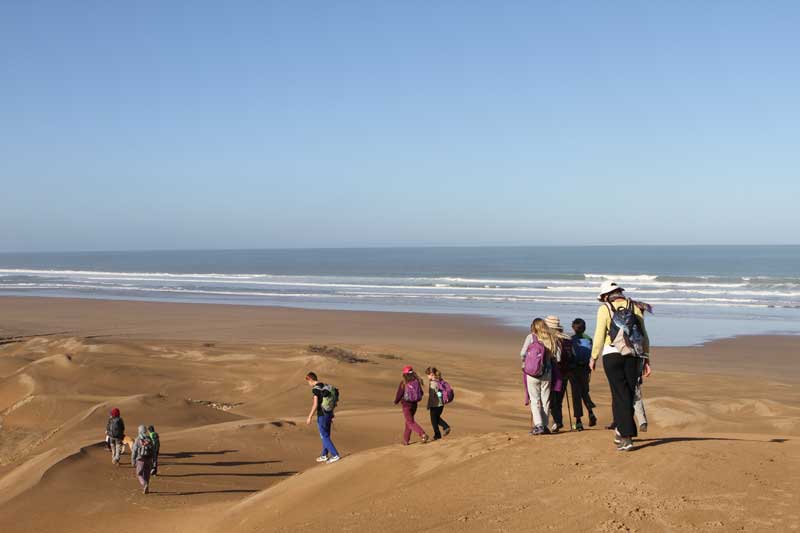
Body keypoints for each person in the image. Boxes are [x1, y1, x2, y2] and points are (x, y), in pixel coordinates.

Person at [590, 281, 652, 451]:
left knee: (619, 394)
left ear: (606, 295)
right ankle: (620, 431)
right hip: (634, 355)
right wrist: (646, 358)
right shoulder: (635, 307)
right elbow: (644, 335)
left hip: (611, 354)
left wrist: (593, 357)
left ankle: (626, 436)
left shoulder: (604, 309)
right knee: (629, 394)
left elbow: (599, 335)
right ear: (620, 292)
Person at [520, 318, 560, 435]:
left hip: (532, 372)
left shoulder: (531, 337)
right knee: (545, 400)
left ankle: (538, 425)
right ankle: (545, 425)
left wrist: (526, 362)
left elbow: (522, 353)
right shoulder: (552, 337)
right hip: (547, 372)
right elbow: (558, 357)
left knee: (534, 399)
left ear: (534, 326)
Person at [305, 372, 341, 464]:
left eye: (308, 381)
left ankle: (335, 454)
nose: (308, 383)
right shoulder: (324, 385)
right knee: (326, 435)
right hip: (329, 413)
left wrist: (309, 417)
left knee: (323, 436)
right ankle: (324, 455)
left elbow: (315, 404)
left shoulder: (315, 390)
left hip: (322, 415)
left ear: (311, 380)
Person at [545, 315, 572, 434]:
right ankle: (557, 421)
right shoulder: (567, 338)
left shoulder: (553, 339)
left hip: (555, 373)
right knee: (558, 399)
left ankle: (557, 421)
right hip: (566, 372)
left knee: (552, 399)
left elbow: (558, 357)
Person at [570, 318, 597, 430]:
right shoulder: (589, 339)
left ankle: (579, 421)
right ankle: (590, 412)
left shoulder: (571, 340)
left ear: (573, 328)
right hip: (586, 369)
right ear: (584, 328)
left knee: (576, 394)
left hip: (574, 369)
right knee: (584, 392)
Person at [394, 366, 430, 445]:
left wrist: (396, 401)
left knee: (410, 422)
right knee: (409, 422)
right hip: (414, 405)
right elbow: (421, 393)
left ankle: (423, 434)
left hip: (406, 405)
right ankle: (406, 440)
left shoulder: (404, 382)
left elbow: (399, 393)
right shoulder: (417, 381)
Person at [425, 367, 451, 440]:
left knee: (434, 420)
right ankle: (444, 428)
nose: (427, 376)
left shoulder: (433, 383)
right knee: (436, 418)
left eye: (428, 374)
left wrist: (429, 404)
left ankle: (438, 434)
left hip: (435, 404)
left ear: (432, 374)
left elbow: (434, 395)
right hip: (440, 404)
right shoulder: (439, 381)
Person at [131, 425, 155, 494]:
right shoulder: (149, 438)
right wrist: (153, 459)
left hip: (140, 459)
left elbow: (134, 451)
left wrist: (133, 460)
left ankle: (144, 484)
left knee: (139, 474)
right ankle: (146, 486)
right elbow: (153, 450)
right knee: (147, 474)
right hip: (149, 459)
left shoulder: (138, 439)